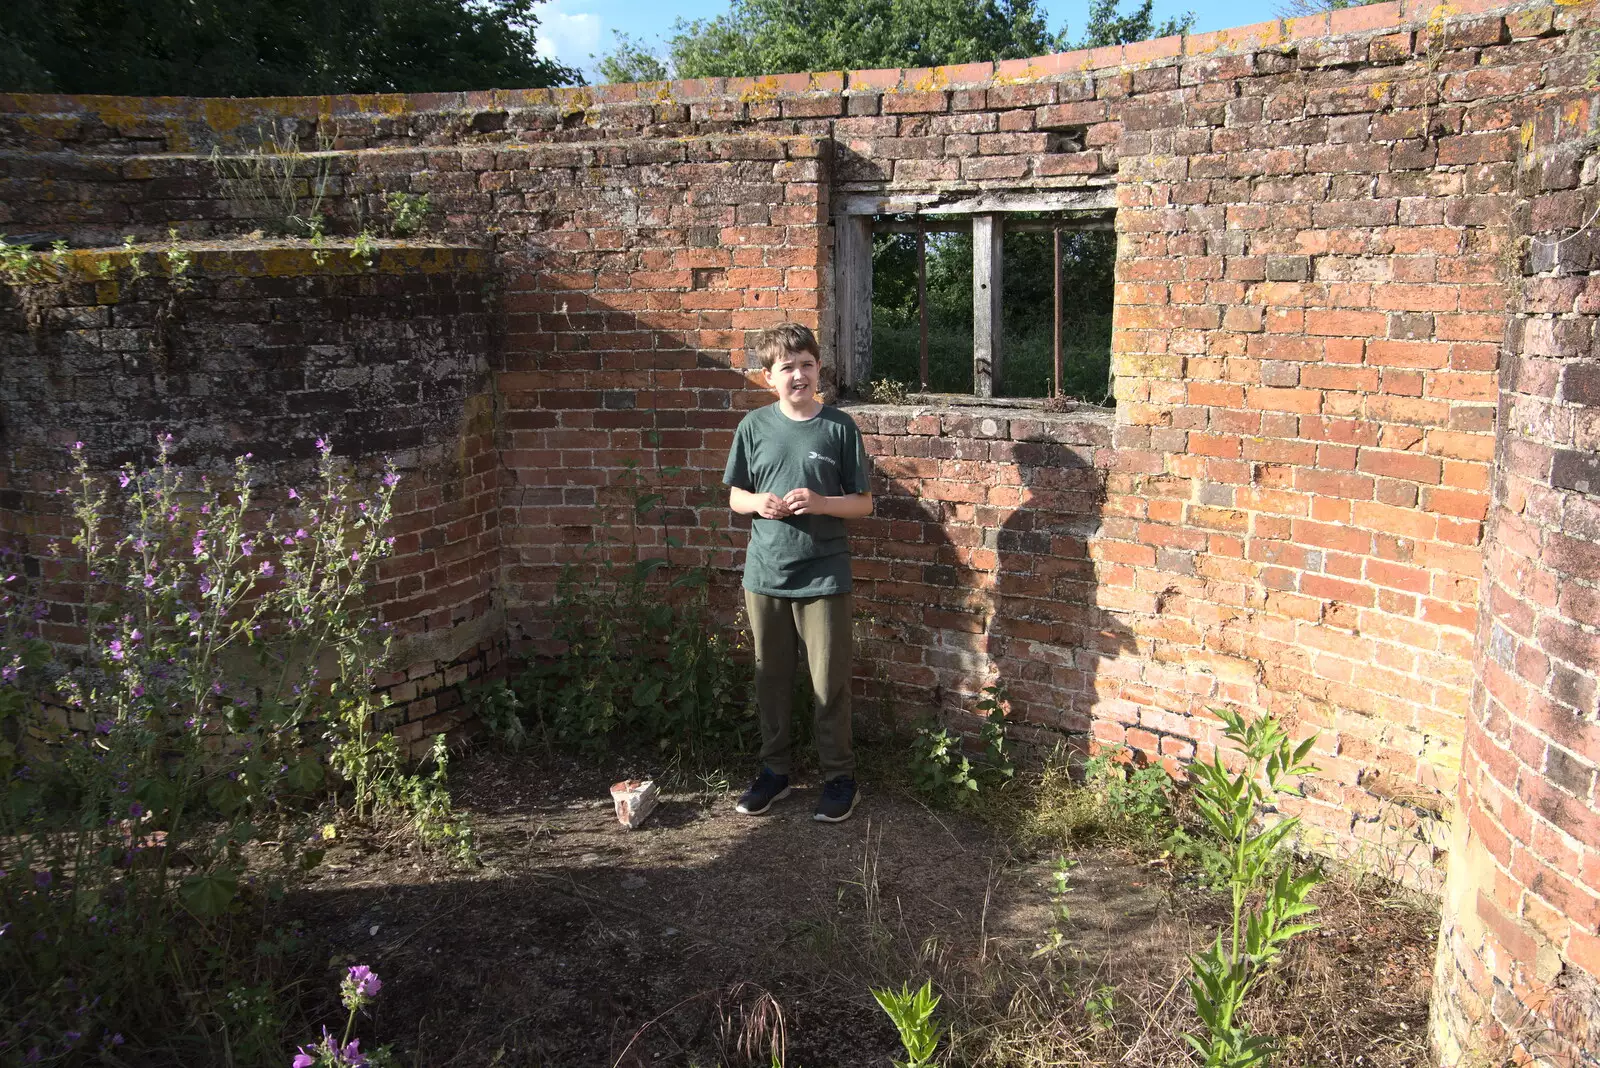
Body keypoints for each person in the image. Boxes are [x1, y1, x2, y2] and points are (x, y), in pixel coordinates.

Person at [723, 323, 873, 823]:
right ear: (769, 377)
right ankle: (775, 773)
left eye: (806, 364)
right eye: (787, 367)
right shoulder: (753, 427)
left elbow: (863, 503)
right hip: (765, 573)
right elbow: (734, 495)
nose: (799, 374)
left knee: (828, 682)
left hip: (825, 575)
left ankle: (839, 778)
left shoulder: (838, 428)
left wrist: (821, 502)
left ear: (818, 369)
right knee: (771, 678)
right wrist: (758, 504)